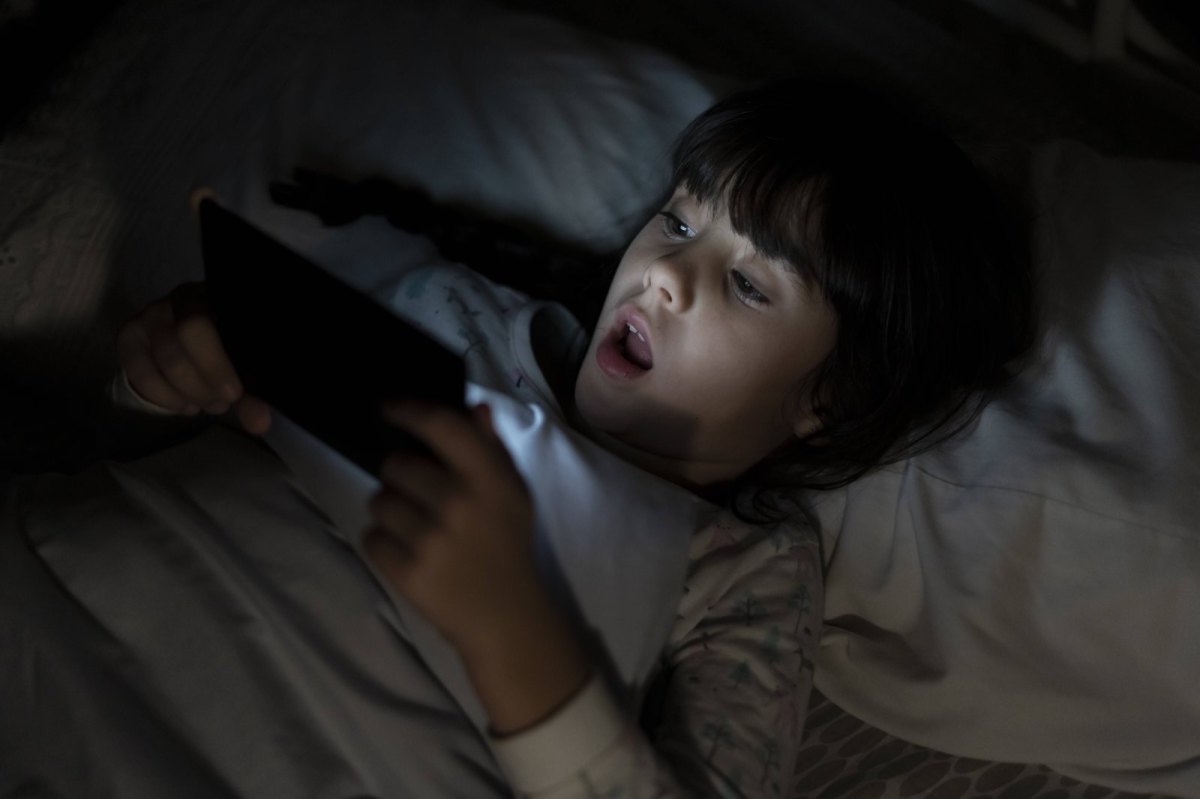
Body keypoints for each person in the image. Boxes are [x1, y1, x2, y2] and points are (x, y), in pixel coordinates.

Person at [108, 79, 1035, 797]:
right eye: (677, 220)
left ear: (825, 399)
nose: (666, 273)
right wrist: (161, 377)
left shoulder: (746, 574)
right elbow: (179, 451)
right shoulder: (452, 313)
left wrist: (512, 632)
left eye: (751, 285)